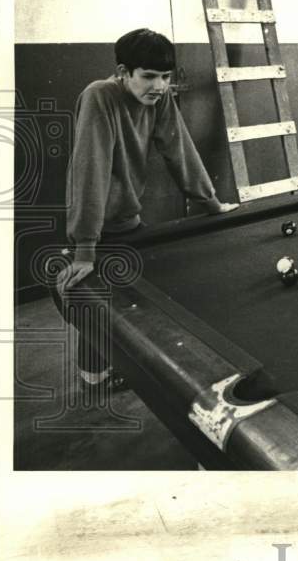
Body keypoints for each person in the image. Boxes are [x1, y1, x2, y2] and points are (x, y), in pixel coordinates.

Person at [54, 28, 238, 392]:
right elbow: (89, 170)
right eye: (149, 76)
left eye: (166, 77)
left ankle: (121, 366)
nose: (159, 85)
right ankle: (94, 377)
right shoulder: (99, 96)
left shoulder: (160, 98)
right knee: (101, 302)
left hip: (129, 219)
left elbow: (179, 149)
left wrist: (211, 203)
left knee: (130, 299)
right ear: (124, 72)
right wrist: (85, 247)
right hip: (98, 225)